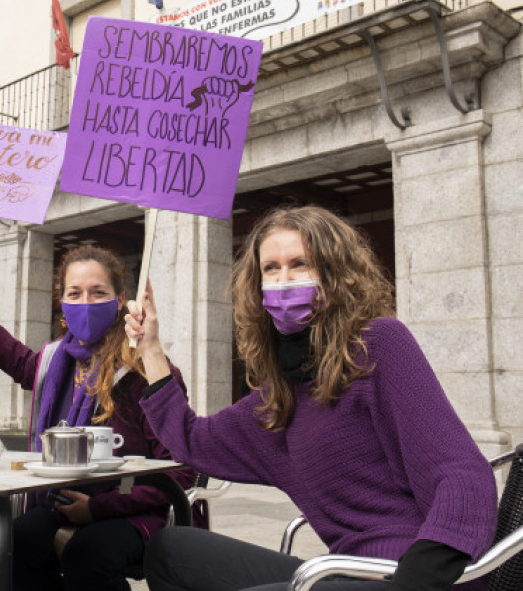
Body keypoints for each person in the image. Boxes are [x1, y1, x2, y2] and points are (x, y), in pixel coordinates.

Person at [124, 205, 498, 591]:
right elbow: (193, 441)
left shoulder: (378, 345)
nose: (283, 279)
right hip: (341, 571)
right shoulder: (279, 396)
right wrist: (151, 348)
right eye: (271, 268)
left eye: (300, 264)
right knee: (170, 548)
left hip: (407, 575)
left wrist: (422, 571)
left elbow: (462, 473)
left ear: (335, 274)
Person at [0, 244, 204, 591]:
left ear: (121, 299)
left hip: (138, 508)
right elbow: (19, 361)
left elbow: (182, 471)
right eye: (74, 293)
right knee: (16, 539)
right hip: (62, 501)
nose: (86, 303)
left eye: (98, 293)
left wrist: (98, 507)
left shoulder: (146, 369)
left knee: (87, 554)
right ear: (61, 301)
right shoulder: (56, 362)